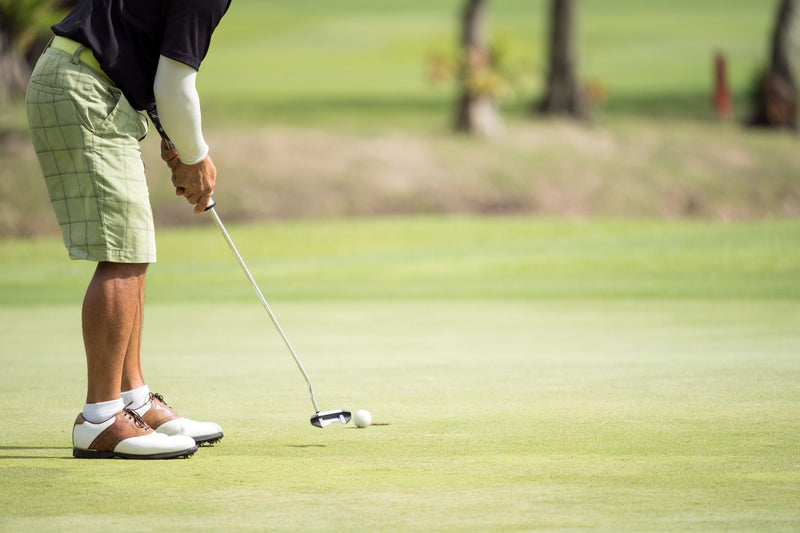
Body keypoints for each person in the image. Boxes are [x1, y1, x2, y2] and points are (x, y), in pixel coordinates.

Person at [25, 0, 232, 459]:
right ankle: (99, 418)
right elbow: (174, 83)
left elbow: (144, 49)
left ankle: (131, 400)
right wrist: (196, 159)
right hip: (86, 86)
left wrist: (177, 142)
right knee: (124, 250)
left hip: (86, 80)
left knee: (133, 245)